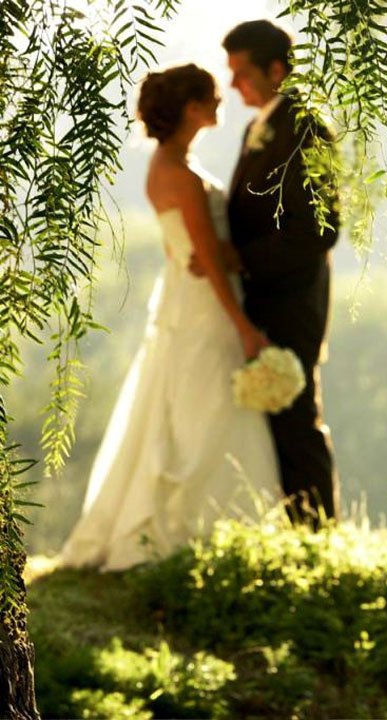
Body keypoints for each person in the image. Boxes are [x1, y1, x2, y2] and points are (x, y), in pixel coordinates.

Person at [60, 64, 281, 571]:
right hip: (205, 306)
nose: (221, 100)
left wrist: (220, 256)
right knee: (206, 411)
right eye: (210, 96)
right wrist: (244, 327)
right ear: (190, 108)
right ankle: (192, 529)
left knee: (188, 406)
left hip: (186, 296)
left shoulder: (168, 163)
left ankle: (196, 525)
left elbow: (189, 248)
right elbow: (207, 257)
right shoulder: (179, 173)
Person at [222, 19, 340, 524]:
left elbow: (320, 229)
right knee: (275, 421)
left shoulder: (309, 128)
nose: (232, 86)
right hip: (260, 298)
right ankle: (292, 527)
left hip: (293, 300)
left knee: (296, 419)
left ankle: (317, 535)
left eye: (241, 73)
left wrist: (244, 260)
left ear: (276, 68)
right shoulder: (257, 126)